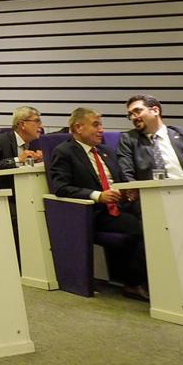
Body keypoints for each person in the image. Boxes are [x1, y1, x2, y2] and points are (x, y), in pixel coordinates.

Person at [47, 108, 148, 300]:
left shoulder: (106, 151)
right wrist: (98, 196)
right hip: (93, 212)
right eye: (95, 125)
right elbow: (61, 188)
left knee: (157, 218)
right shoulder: (64, 152)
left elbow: (118, 181)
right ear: (78, 127)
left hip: (120, 205)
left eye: (101, 125)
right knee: (141, 228)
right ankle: (134, 284)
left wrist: (128, 192)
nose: (101, 130)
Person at [0, 106, 45, 193]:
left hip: (32, 192)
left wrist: (42, 161)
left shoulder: (38, 142)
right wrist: (18, 160)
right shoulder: (1, 141)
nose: (41, 126)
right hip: (8, 194)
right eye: (37, 121)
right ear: (22, 124)